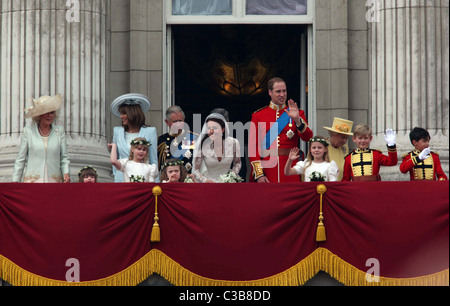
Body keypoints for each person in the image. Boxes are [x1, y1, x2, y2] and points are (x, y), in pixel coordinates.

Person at [249, 77, 313, 183]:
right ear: (270, 92)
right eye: (278, 91)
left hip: (290, 167)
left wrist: (297, 120)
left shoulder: (298, 113)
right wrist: (259, 174)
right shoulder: (258, 116)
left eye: (284, 91)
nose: (282, 94)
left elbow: (307, 138)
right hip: (268, 168)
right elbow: (253, 149)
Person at [12, 94, 70, 183]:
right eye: (46, 112)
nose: (49, 116)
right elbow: (21, 159)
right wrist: (15, 181)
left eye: (52, 112)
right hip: (32, 182)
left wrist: (66, 173)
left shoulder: (60, 131)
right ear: (39, 114)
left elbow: (64, 157)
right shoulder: (28, 132)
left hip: (54, 182)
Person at [110, 93, 158, 182]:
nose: (121, 116)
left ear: (133, 114)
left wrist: (155, 182)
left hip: (143, 180)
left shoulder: (150, 131)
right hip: (121, 180)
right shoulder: (117, 131)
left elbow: (153, 159)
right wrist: (116, 176)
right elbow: (115, 157)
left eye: (124, 113)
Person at [192, 109, 242, 183]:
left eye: (215, 128)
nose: (211, 131)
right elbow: (195, 170)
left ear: (223, 129)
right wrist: (205, 181)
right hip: (209, 186)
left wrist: (232, 176)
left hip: (228, 185)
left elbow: (237, 163)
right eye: (209, 128)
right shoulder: (203, 145)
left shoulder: (234, 143)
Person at [157, 106, 197, 173]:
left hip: (188, 180)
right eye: (175, 122)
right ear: (167, 122)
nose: (178, 125)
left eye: (180, 121)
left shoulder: (193, 138)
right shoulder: (161, 141)